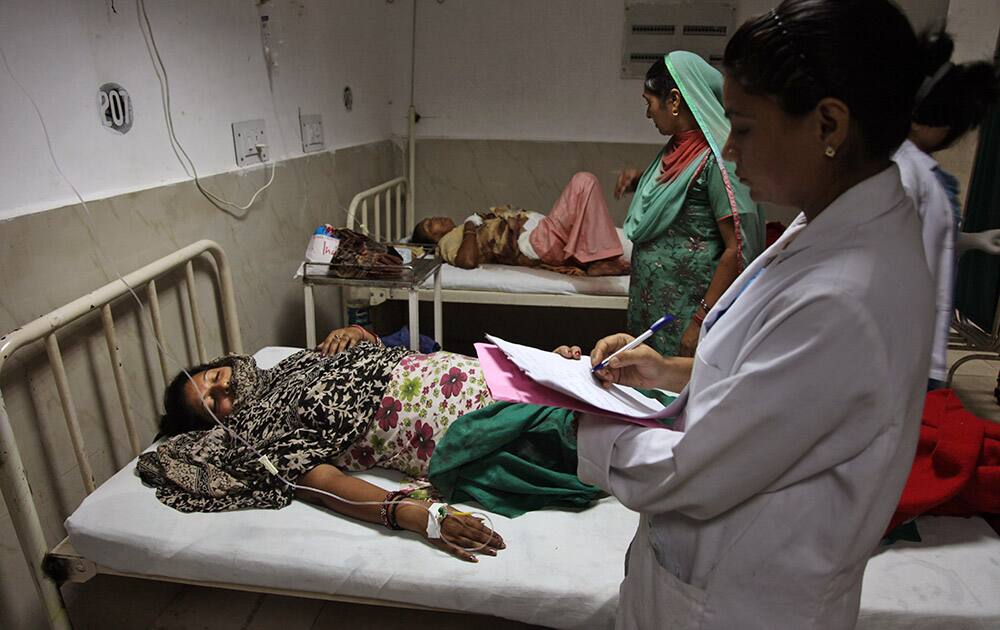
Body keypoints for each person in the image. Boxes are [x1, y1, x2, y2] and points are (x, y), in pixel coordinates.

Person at [562, 1, 936, 627]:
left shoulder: (845, 297)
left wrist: (577, 420)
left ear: (828, 125)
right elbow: (772, 388)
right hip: (713, 575)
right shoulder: (826, 231)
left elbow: (694, 469)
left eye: (744, 125)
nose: (729, 148)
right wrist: (666, 371)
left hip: (736, 602)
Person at [142, 326, 599, 562]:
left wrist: (359, 335)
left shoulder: (295, 363)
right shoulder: (260, 432)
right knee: (590, 433)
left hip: (453, 369)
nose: (225, 392)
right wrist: (412, 515)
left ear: (225, 363)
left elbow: (378, 350)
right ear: (213, 426)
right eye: (214, 404)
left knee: (601, 392)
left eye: (217, 379)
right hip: (438, 416)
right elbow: (317, 481)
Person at [616, 52, 765, 357]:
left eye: (649, 102)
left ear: (673, 100)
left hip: (688, 318)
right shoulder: (677, 149)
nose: (648, 113)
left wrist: (700, 322)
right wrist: (640, 181)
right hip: (653, 312)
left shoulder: (719, 160)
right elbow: (684, 191)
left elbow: (736, 247)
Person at [893, 28, 1000, 389]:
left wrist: (969, 240)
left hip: (899, 342)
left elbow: (924, 241)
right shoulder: (908, 175)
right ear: (943, 127)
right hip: (897, 341)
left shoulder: (906, 173)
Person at [412, 175, 631, 277]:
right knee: (583, 182)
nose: (436, 218)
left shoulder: (461, 230)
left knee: (607, 231)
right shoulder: (448, 241)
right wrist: (470, 226)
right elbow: (467, 262)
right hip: (533, 244)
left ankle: (600, 261)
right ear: (433, 240)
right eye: (431, 224)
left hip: (543, 234)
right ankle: (601, 260)